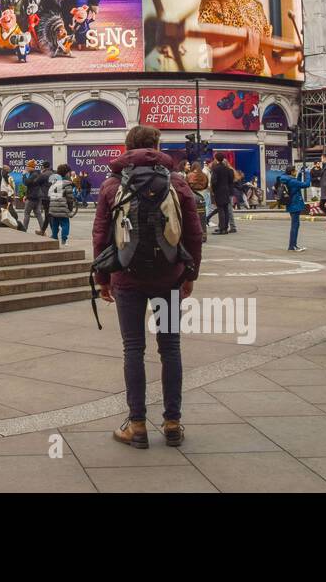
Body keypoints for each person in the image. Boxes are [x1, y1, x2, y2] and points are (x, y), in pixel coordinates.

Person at [93, 124, 202, 450]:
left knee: (133, 349)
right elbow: (194, 234)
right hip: (169, 277)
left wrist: (103, 279)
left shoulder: (112, 185)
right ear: (157, 146)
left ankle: (137, 425)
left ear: (127, 148)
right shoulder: (177, 183)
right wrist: (190, 273)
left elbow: (100, 235)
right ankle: (172, 423)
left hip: (127, 278)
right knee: (170, 348)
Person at [278, 164, 312, 252]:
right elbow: (306, 184)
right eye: (295, 171)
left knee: (295, 225)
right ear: (292, 172)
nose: (296, 172)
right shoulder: (292, 181)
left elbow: (297, 183)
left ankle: (292, 245)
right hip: (295, 204)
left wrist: (301, 173)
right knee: (295, 226)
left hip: (291, 204)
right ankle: (292, 246)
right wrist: (308, 173)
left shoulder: (287, 179)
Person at [46, 163, 75, 246]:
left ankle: (54, 237)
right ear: (66, 173)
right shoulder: (67, 184)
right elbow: (70, 198)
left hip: (53, 207)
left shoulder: (54, 183)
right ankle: (64, 240)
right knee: (65, 223)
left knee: (55, 223)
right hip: (63, 208)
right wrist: (70, 208)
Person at [209, 153, 236, 234]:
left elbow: (214, 181)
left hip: (219, 191)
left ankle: (221, 229)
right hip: (227, 191)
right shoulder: (227, 169)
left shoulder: (216, 169)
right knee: (225, 209)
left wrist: (213, 190)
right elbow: (231, 181)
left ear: (216, 159)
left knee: (221, 210)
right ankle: (225, 227)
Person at [21, 159, 50, 234]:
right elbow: (32, 186)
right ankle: (42, 230)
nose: (26, 168)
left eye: (27, 166)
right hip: (37, 197)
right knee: (38, 214)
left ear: (31, 167)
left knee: (27, 213)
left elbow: (26, 183)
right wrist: (26, 195)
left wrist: (24, 174)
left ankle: (24, 230)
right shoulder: (36, 174)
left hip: (32, 197)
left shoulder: (33, 174)